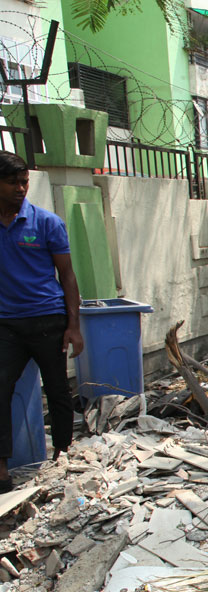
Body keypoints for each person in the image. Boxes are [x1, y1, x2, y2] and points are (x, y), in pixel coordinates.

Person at [0, 152, 83, 492]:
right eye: (13, 183)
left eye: (24, 182)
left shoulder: (47, 223)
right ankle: (2, 470)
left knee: (58, 389)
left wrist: (74, 326)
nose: (21, 188)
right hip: (7, 324)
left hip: (48, 319)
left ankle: (62, 455)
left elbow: (67, 275)